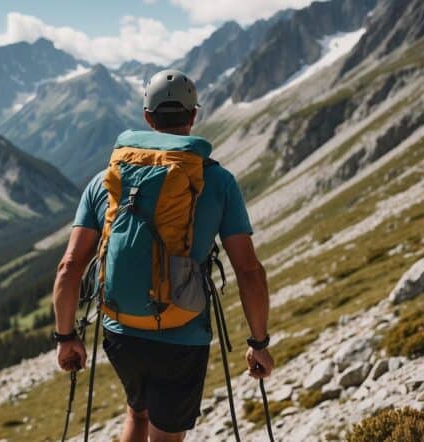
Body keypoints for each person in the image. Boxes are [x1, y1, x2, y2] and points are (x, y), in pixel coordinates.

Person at [52, 69, 273, 442]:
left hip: (121, 331)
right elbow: (249, 270)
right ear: (193, 116)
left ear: (147, 118)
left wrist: (65, 336)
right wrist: (259, 343)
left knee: (137, 414)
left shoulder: (107, 178)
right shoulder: (217, 181)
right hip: (182, 334)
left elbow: (70, 265)